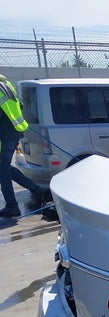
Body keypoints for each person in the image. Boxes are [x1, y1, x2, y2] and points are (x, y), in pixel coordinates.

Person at [0, 73, 51, 218]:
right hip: (11, 132)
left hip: (6, 134)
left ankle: (12, 206)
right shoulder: (6, 84)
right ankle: (37, 190)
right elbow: (20, 105)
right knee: (5, 169)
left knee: (3, 171)